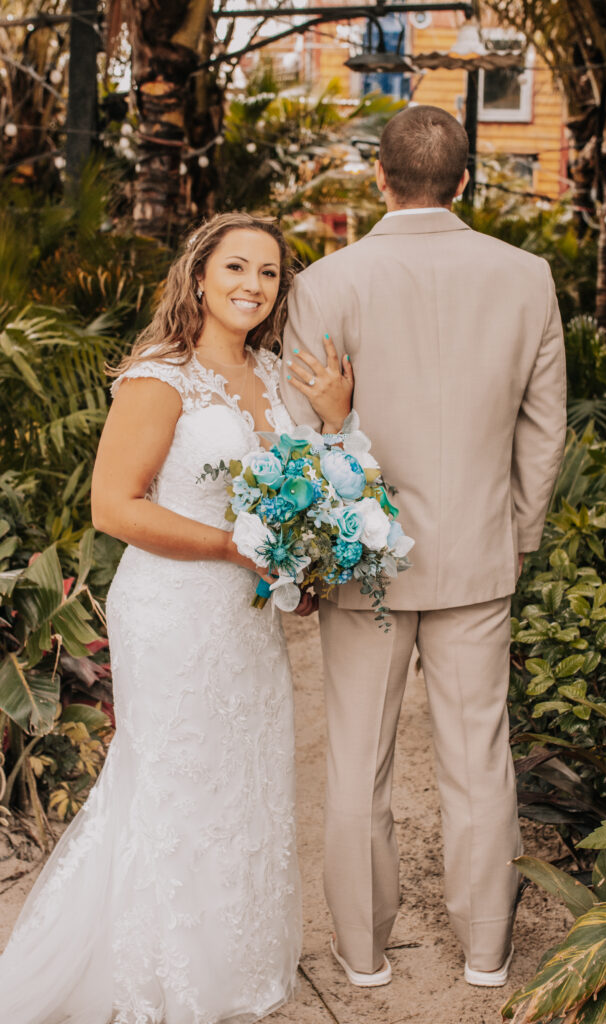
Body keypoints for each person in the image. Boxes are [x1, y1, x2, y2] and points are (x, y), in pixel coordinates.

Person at [0, 213, 352, 1024]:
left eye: (268, 274)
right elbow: (113, 508)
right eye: (236, 267)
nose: (251, 286)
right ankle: (159, 976)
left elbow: (306, 490)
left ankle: (234, 962)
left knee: (245, 781)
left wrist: (331, 418)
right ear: (198, 275)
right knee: (174, 785)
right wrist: (234, 548)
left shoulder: (272, 374)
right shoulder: (161, 376)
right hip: (173, 612)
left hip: (245, 621)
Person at [281, 105, 567, 989]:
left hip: (360, 563)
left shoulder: (328, 281)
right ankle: (485, 955)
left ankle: (363, 957)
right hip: (479, 556)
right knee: (478, 762)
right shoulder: (525, 276)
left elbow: (300, 434)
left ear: (378, 177)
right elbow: (543, 428)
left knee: (355, 762)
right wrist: (516, 535)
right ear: (466, 180)